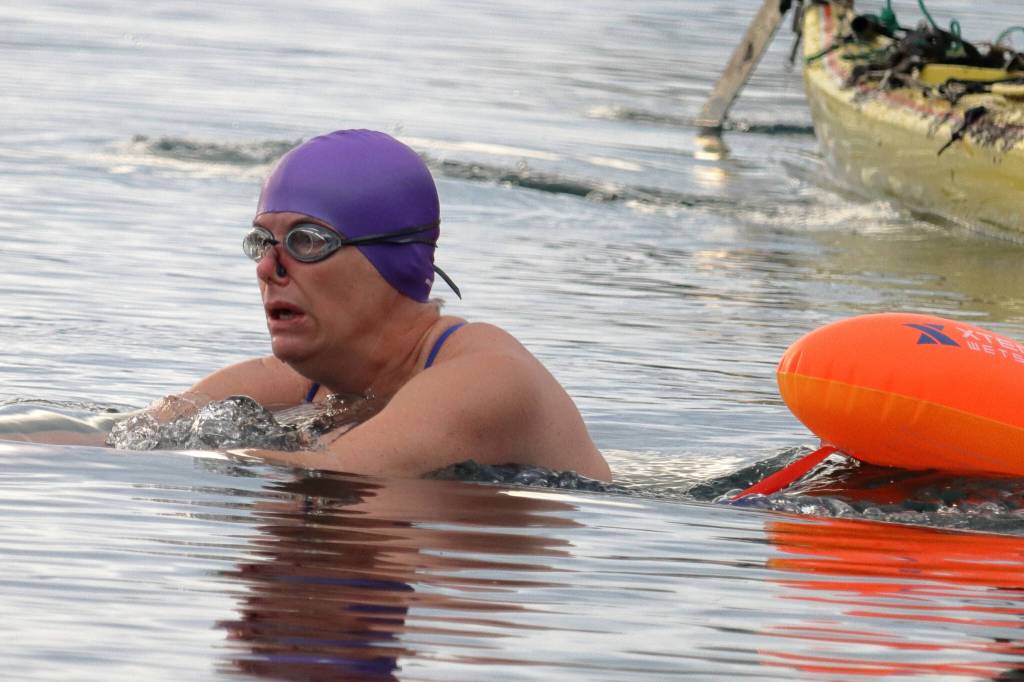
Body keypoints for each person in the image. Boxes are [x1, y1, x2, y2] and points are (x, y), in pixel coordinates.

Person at [178, 129, 611, 481]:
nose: (267, 268)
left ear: (390, 261)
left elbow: (334, 472)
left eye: (305, 241)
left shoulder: (489, 379)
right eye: (262, 242)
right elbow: (142, 433)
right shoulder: (302, 386)